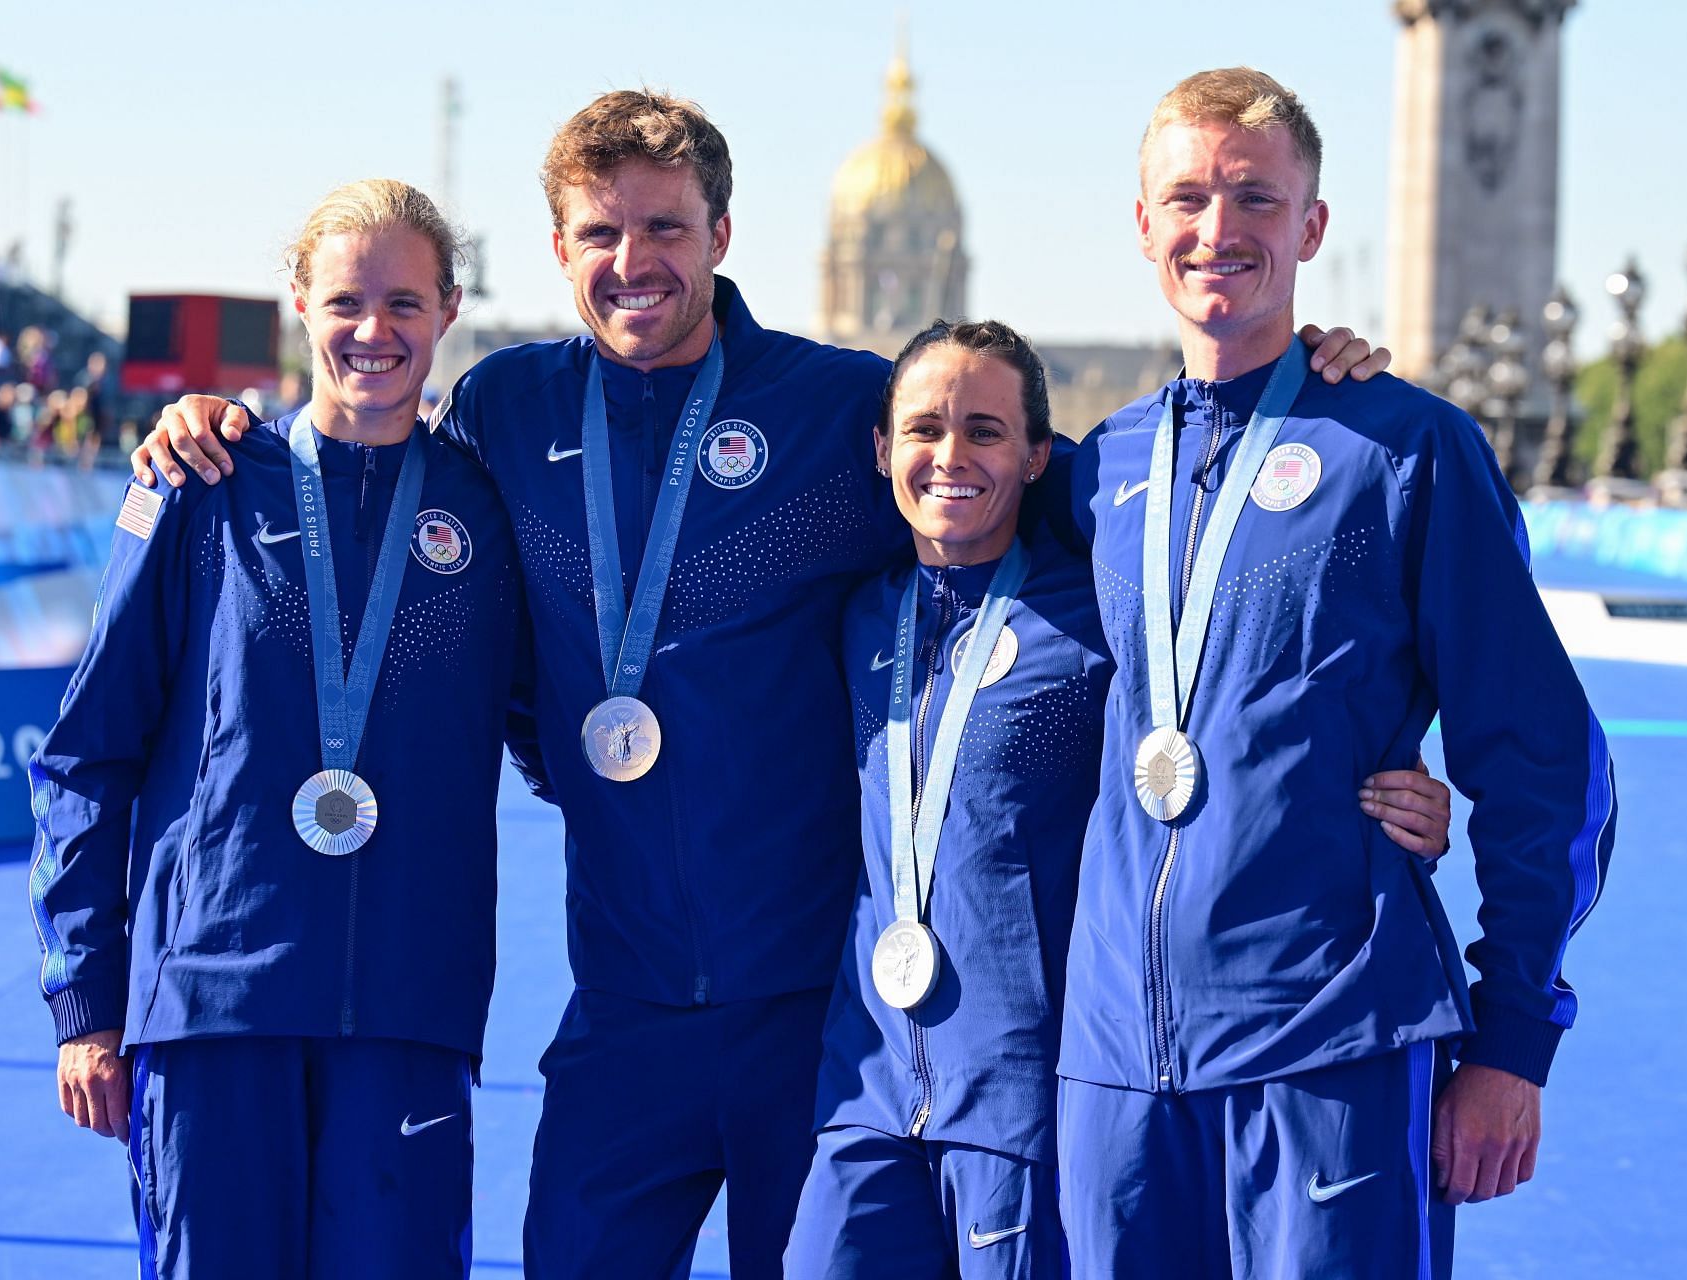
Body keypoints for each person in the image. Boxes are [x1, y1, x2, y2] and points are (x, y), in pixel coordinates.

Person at [132, 90, 1391, 1277]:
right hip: (622, 1001)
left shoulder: (841, 405)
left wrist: (1283, 397)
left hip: (818, 1012)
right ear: (558, 249)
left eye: (667, 227)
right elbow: (382, 490)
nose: (636, 261)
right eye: (601, 233)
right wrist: (214, 423)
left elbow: (1110, 522)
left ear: (723, 234)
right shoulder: (504, 409)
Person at [1046, 68, 1617, 1278]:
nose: (1218, 229)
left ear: (1310, 226)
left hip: (1331, 1040)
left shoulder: (1404, 447)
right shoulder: (1097, 473)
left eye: (1257, 198)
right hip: (1114, 1059)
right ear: (1140, 222)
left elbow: (1543, 756)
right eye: (1187, 197)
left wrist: (1515, 1040)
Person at [784, 319, 1452, 1277]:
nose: (951, 456)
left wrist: (1389, 786)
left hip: (1018, 1096)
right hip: (869, 1085)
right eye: (924, 429)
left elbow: (1226, 698)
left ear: (1038, 456)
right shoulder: (854, 615)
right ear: (882, 450)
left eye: (985, 430)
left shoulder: (1095, 610)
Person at [29, 178, 520, 1278]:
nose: (373, 331)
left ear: (448, 310)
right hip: (214, 999)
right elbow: (87, 749)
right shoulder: (201, 480)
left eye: (404, 303)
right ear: (298, 298)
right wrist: (85, 997)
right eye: (347, 298)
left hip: (408, 1005)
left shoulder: (485, 510)